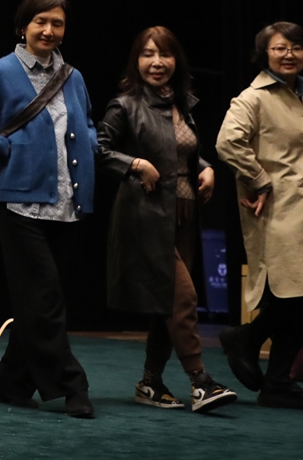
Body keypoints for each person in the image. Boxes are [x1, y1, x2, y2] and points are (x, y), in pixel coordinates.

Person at [0, 0, 98, 419]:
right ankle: (73, 385)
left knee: (39, 302)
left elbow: (86, 124)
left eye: (57, 23)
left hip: (67, 204)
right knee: (45, 300)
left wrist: (90, 147)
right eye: (41, 22)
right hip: (19, 206)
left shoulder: (74, 76)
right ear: (23, 26)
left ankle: (12, 383)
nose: (49, 31)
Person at [96, 27, 237, 412]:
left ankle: (150, 384)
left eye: (165, 55)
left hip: (184, 214)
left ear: (177, 62)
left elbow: (184, 151)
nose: (156, 62)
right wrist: (135, 164)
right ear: (135, 61)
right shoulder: (124, 105)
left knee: (167, 303)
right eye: (147, 54)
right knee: (184, 296)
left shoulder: (182, 104)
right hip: (145, 215)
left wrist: (206, 167)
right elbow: (99, 148)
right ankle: (200, 381)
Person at [216, 21, 303, 410]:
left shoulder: (297, 95)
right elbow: (227, 143)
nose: (290, 54)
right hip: (281, 210)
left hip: (299, 207)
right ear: (264, 53)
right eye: (280, 48)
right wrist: (260, 181)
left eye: (297, 48)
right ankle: (247, 341)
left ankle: (277, 382)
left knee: (296, 296)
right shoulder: (253, 97)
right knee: (293, 293)